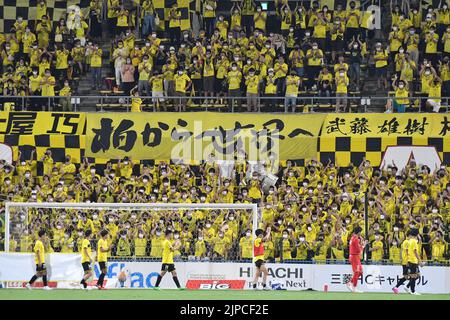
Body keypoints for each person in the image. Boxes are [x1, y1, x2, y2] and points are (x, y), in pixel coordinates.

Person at [346, 226, 367, 293]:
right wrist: (363, 245)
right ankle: (354, 287)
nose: (361, 233)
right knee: (357, 272)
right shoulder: (355, 239)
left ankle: (350, 283)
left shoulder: (353, 238)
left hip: (355, 257)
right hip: (354, 257)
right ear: (358, 232)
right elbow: (358, 250)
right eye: (360, 232)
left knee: (360, 272)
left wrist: (361, 243)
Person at [406, 228, 423, 295]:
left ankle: (407, 286)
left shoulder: (410, 240)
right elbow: (415, 252)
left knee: (417, 275)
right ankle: (413, 291)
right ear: (417, 234)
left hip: (411, 260)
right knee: (413, 276)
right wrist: (420, 261)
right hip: (413, 260)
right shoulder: (414, 241)